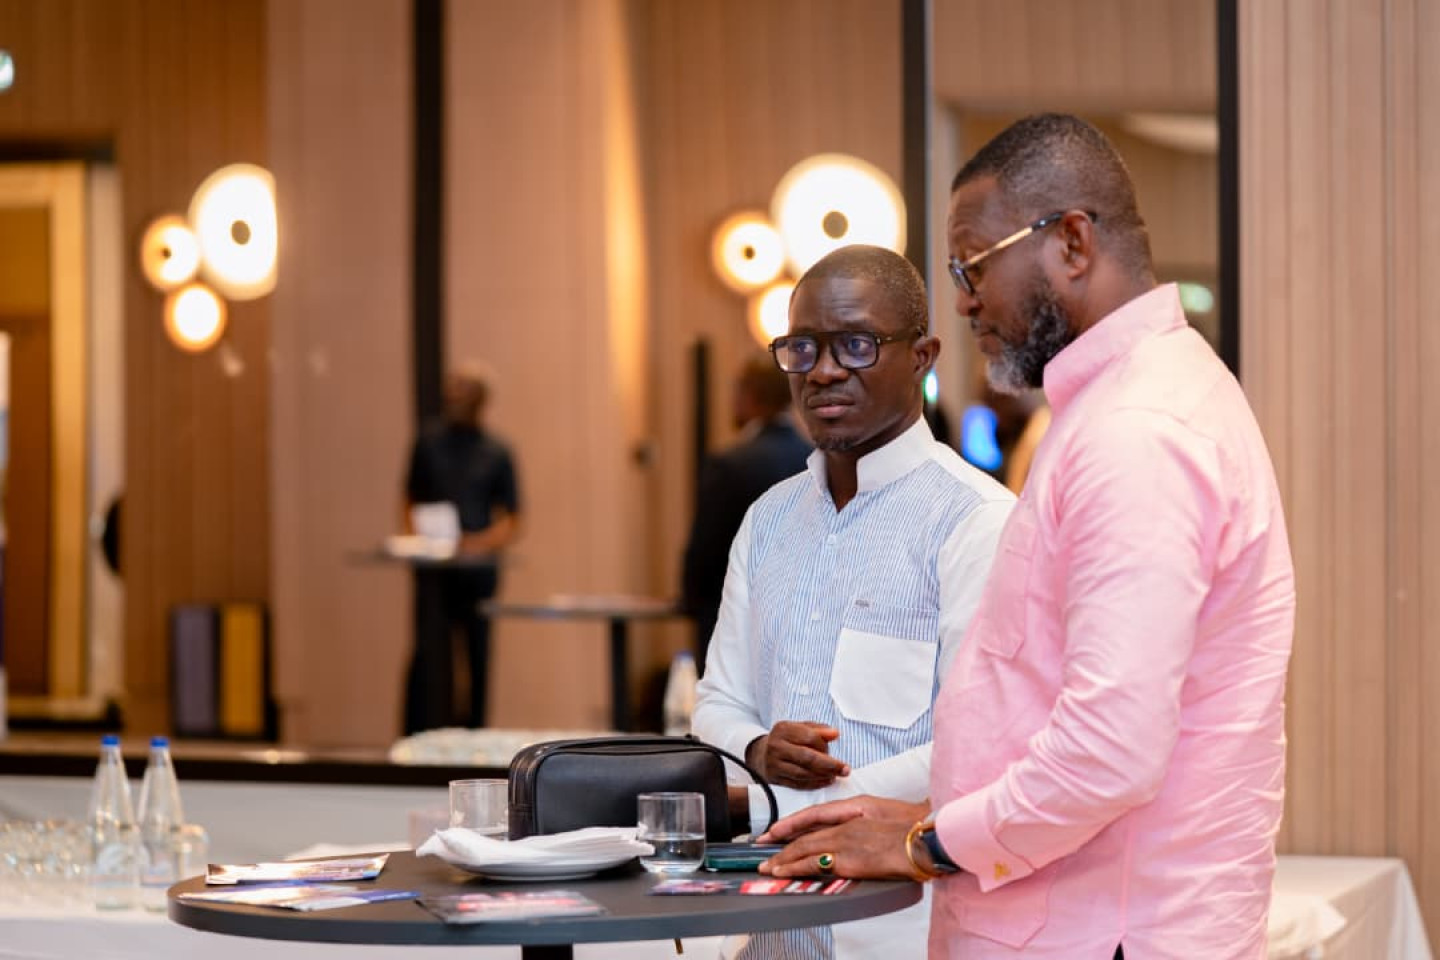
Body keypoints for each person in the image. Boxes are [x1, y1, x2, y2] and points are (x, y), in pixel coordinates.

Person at [756, 114, 1296, 960]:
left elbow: (1109, 753)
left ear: (1072, 242)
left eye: (974, 265)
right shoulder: (1121, 405)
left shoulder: (1139, 430)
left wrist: (924, 843)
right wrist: (932, 820)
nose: (964, 299)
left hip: (1100, 929)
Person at [692, 244, 1014, 959]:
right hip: (767, 926)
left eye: (857, 345)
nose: (824, 370)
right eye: (803, 348)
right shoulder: (768, 520)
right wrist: (757, 748)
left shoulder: (977, 522)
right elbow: (717, 702)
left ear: (922, 357)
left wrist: (788, 806)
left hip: (904, 927)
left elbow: (983, 745)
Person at [402, 365, 521, 733]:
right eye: (453, 388)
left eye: (465, 389)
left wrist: (478, 543)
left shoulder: (497, 451)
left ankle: (473, 736)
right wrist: (420, 539)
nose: (456, 396)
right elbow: (409, 498)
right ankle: (420, 733)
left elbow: (512, 518)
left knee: (477, 657)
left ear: (482, 399)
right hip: (434, 569)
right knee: (428, 654)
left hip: (477, 571)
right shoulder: (428, 444)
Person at [681, 355, 811, 665]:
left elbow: (705, 556)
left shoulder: (730, 465)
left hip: (735, 628)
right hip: (803, 627)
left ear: (748, 395)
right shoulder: (815, 459)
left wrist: (690, 599)